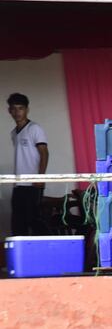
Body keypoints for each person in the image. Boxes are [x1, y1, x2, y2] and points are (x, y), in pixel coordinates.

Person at [8, 93, 49, 236]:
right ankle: (23, 255)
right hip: (19, 184)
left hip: (33, 184)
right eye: (14, 109)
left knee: (34, 219)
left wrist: (40, 177)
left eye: (21, 108)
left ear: (27, 110)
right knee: (18, 222)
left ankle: (48, 250)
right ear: (10, 111)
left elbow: (44, 153)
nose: (17, 112)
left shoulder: (34, 128)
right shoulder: (14, 133)